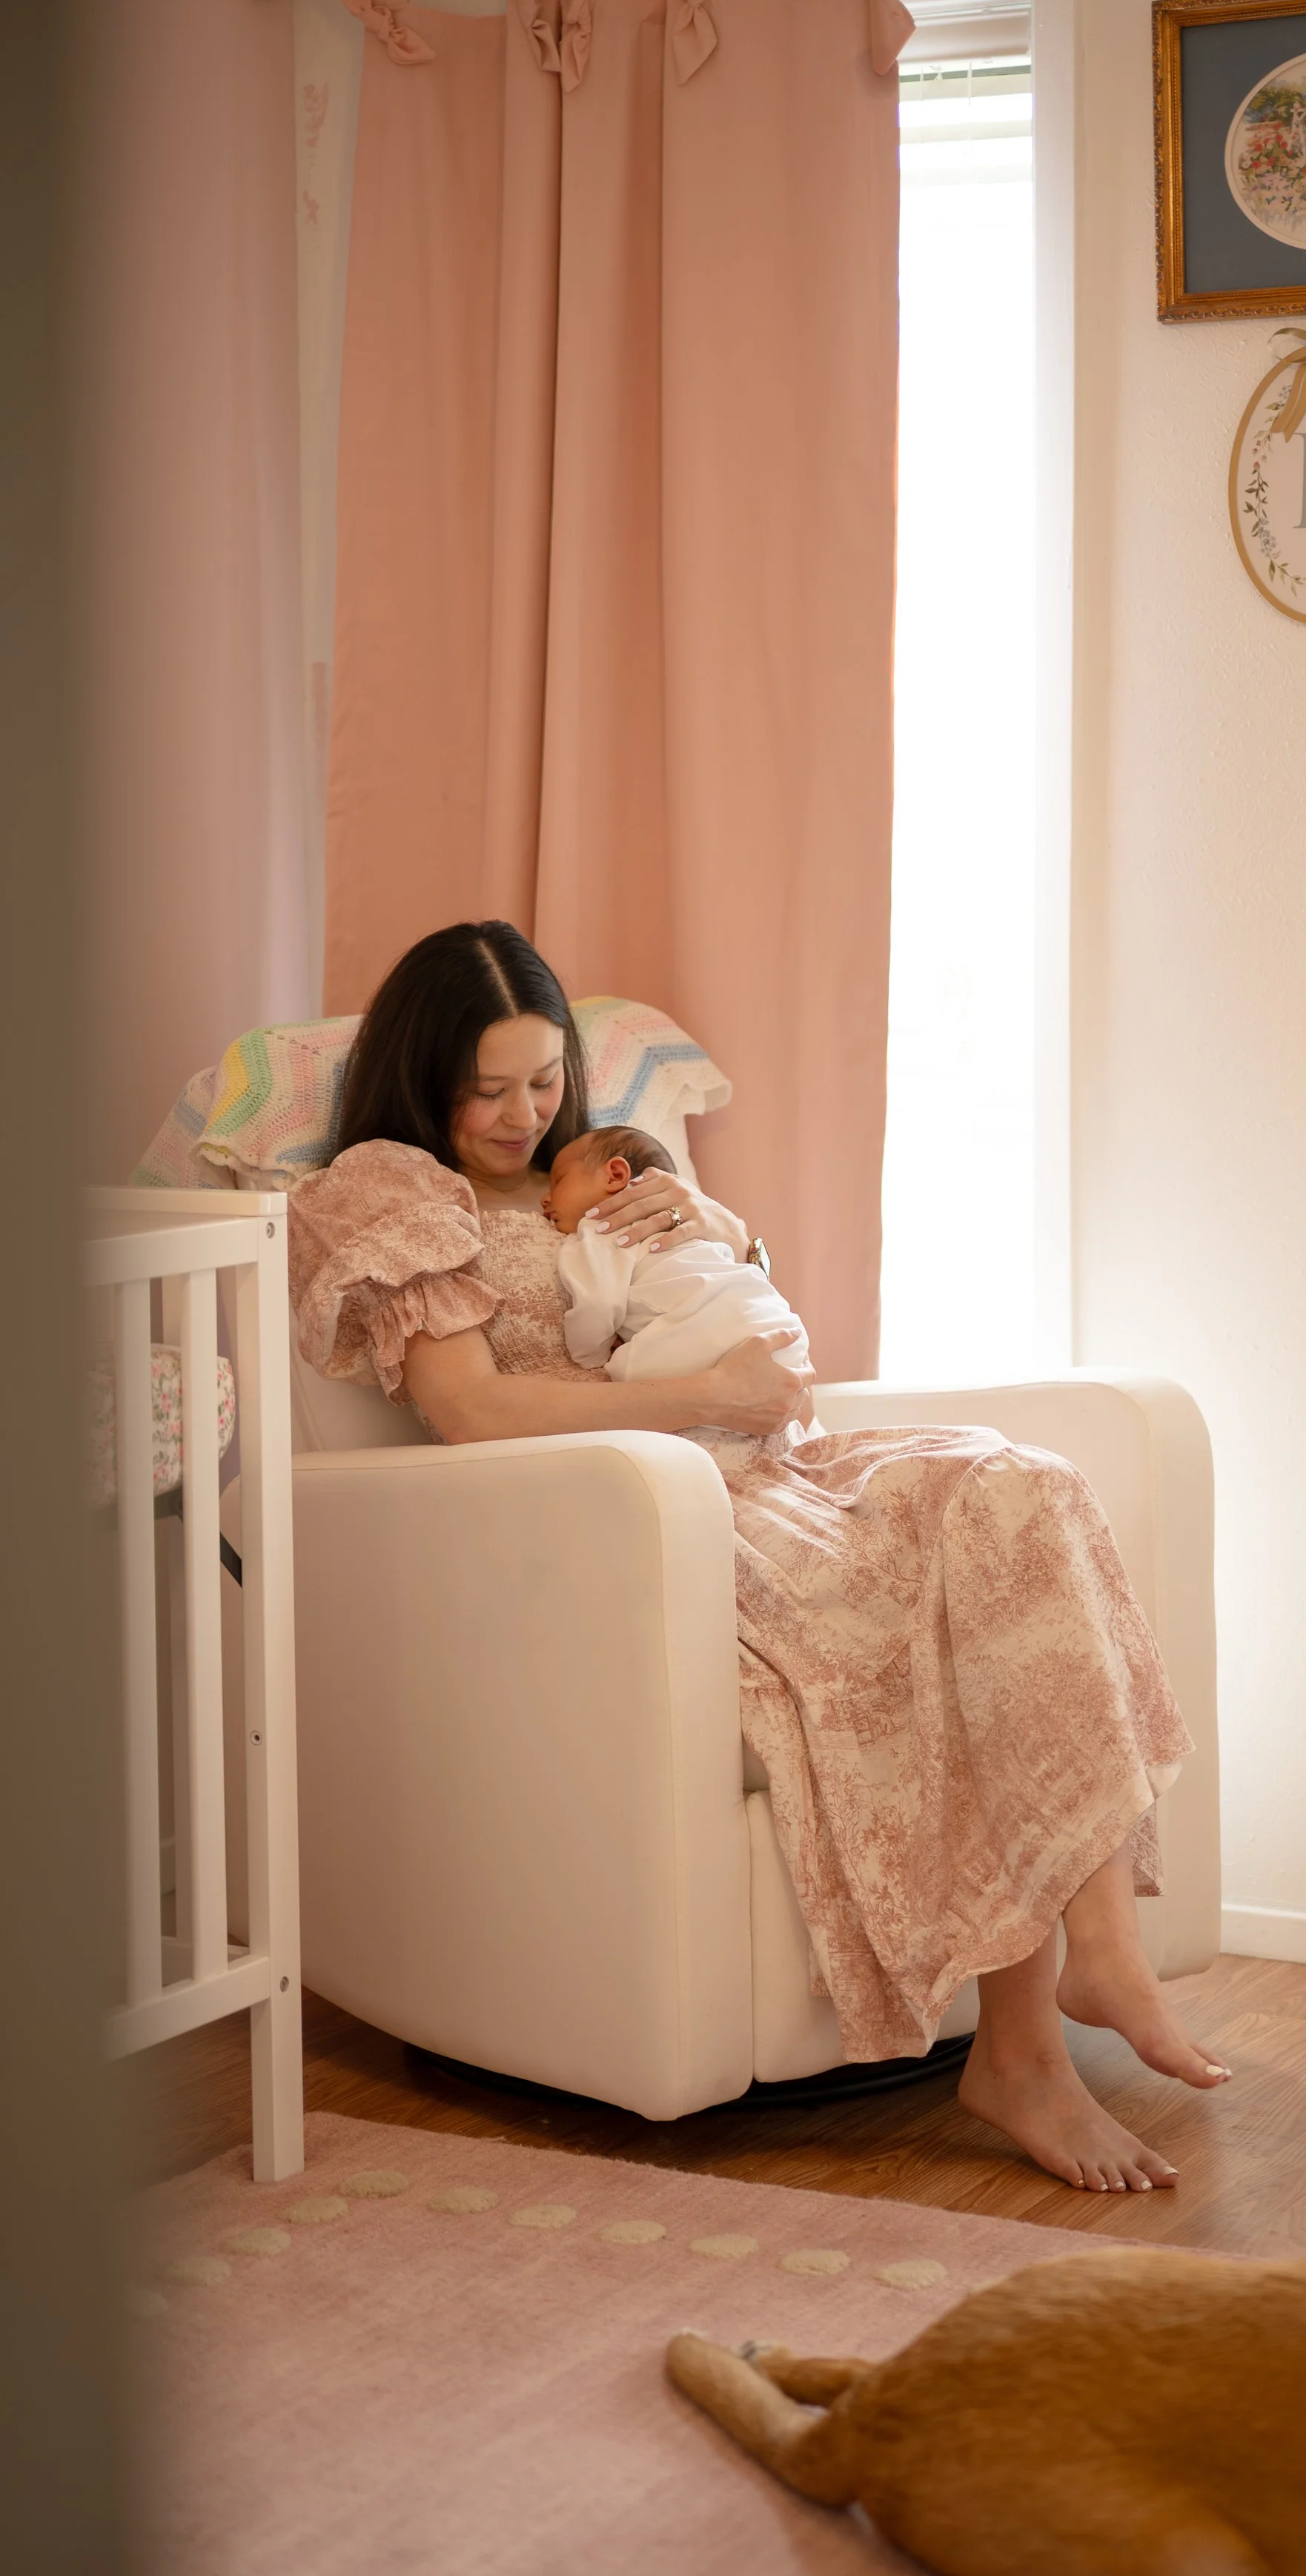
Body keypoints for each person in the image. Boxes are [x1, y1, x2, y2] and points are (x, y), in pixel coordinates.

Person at [289, 921, 1228, 2193]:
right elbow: (469, 1410)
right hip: (604, 1519)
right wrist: (711, 1396)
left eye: (548, 1079)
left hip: (758, 1469)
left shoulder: (602, 1170)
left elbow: (723, 1319)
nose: (523, 1115)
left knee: (1019, 1494)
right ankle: (1032, 2050)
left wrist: (719, 1234)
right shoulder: (392, 1189)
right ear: (424, 1071)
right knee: (924, 1610)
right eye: (490, 1087)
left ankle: (1086, 1961)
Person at [545, 1123, 811, 1454]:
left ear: (615, 1175)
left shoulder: (601, 1229)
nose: (546, 1199)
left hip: (703, 1334)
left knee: (629, 1369)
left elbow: (597, 1305)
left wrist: (591, 1355)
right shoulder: (693, 1226)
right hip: (778, 1327)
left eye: (558, 1181)